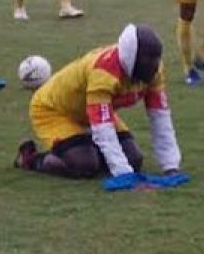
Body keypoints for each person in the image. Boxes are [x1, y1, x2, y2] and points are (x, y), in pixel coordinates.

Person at [14, 24, 186, 189]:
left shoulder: (154, 72)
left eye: (155, 59)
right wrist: (122, 173)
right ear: (131, 57)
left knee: (134, 160)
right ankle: (30, 158)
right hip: (54, 110)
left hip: (88, 109)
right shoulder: (104, 73)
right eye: (147, 60)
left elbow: (160, 118)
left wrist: (171, 166)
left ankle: (84, 147)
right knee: (84, 164)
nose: (152, 67)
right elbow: (103, 128)